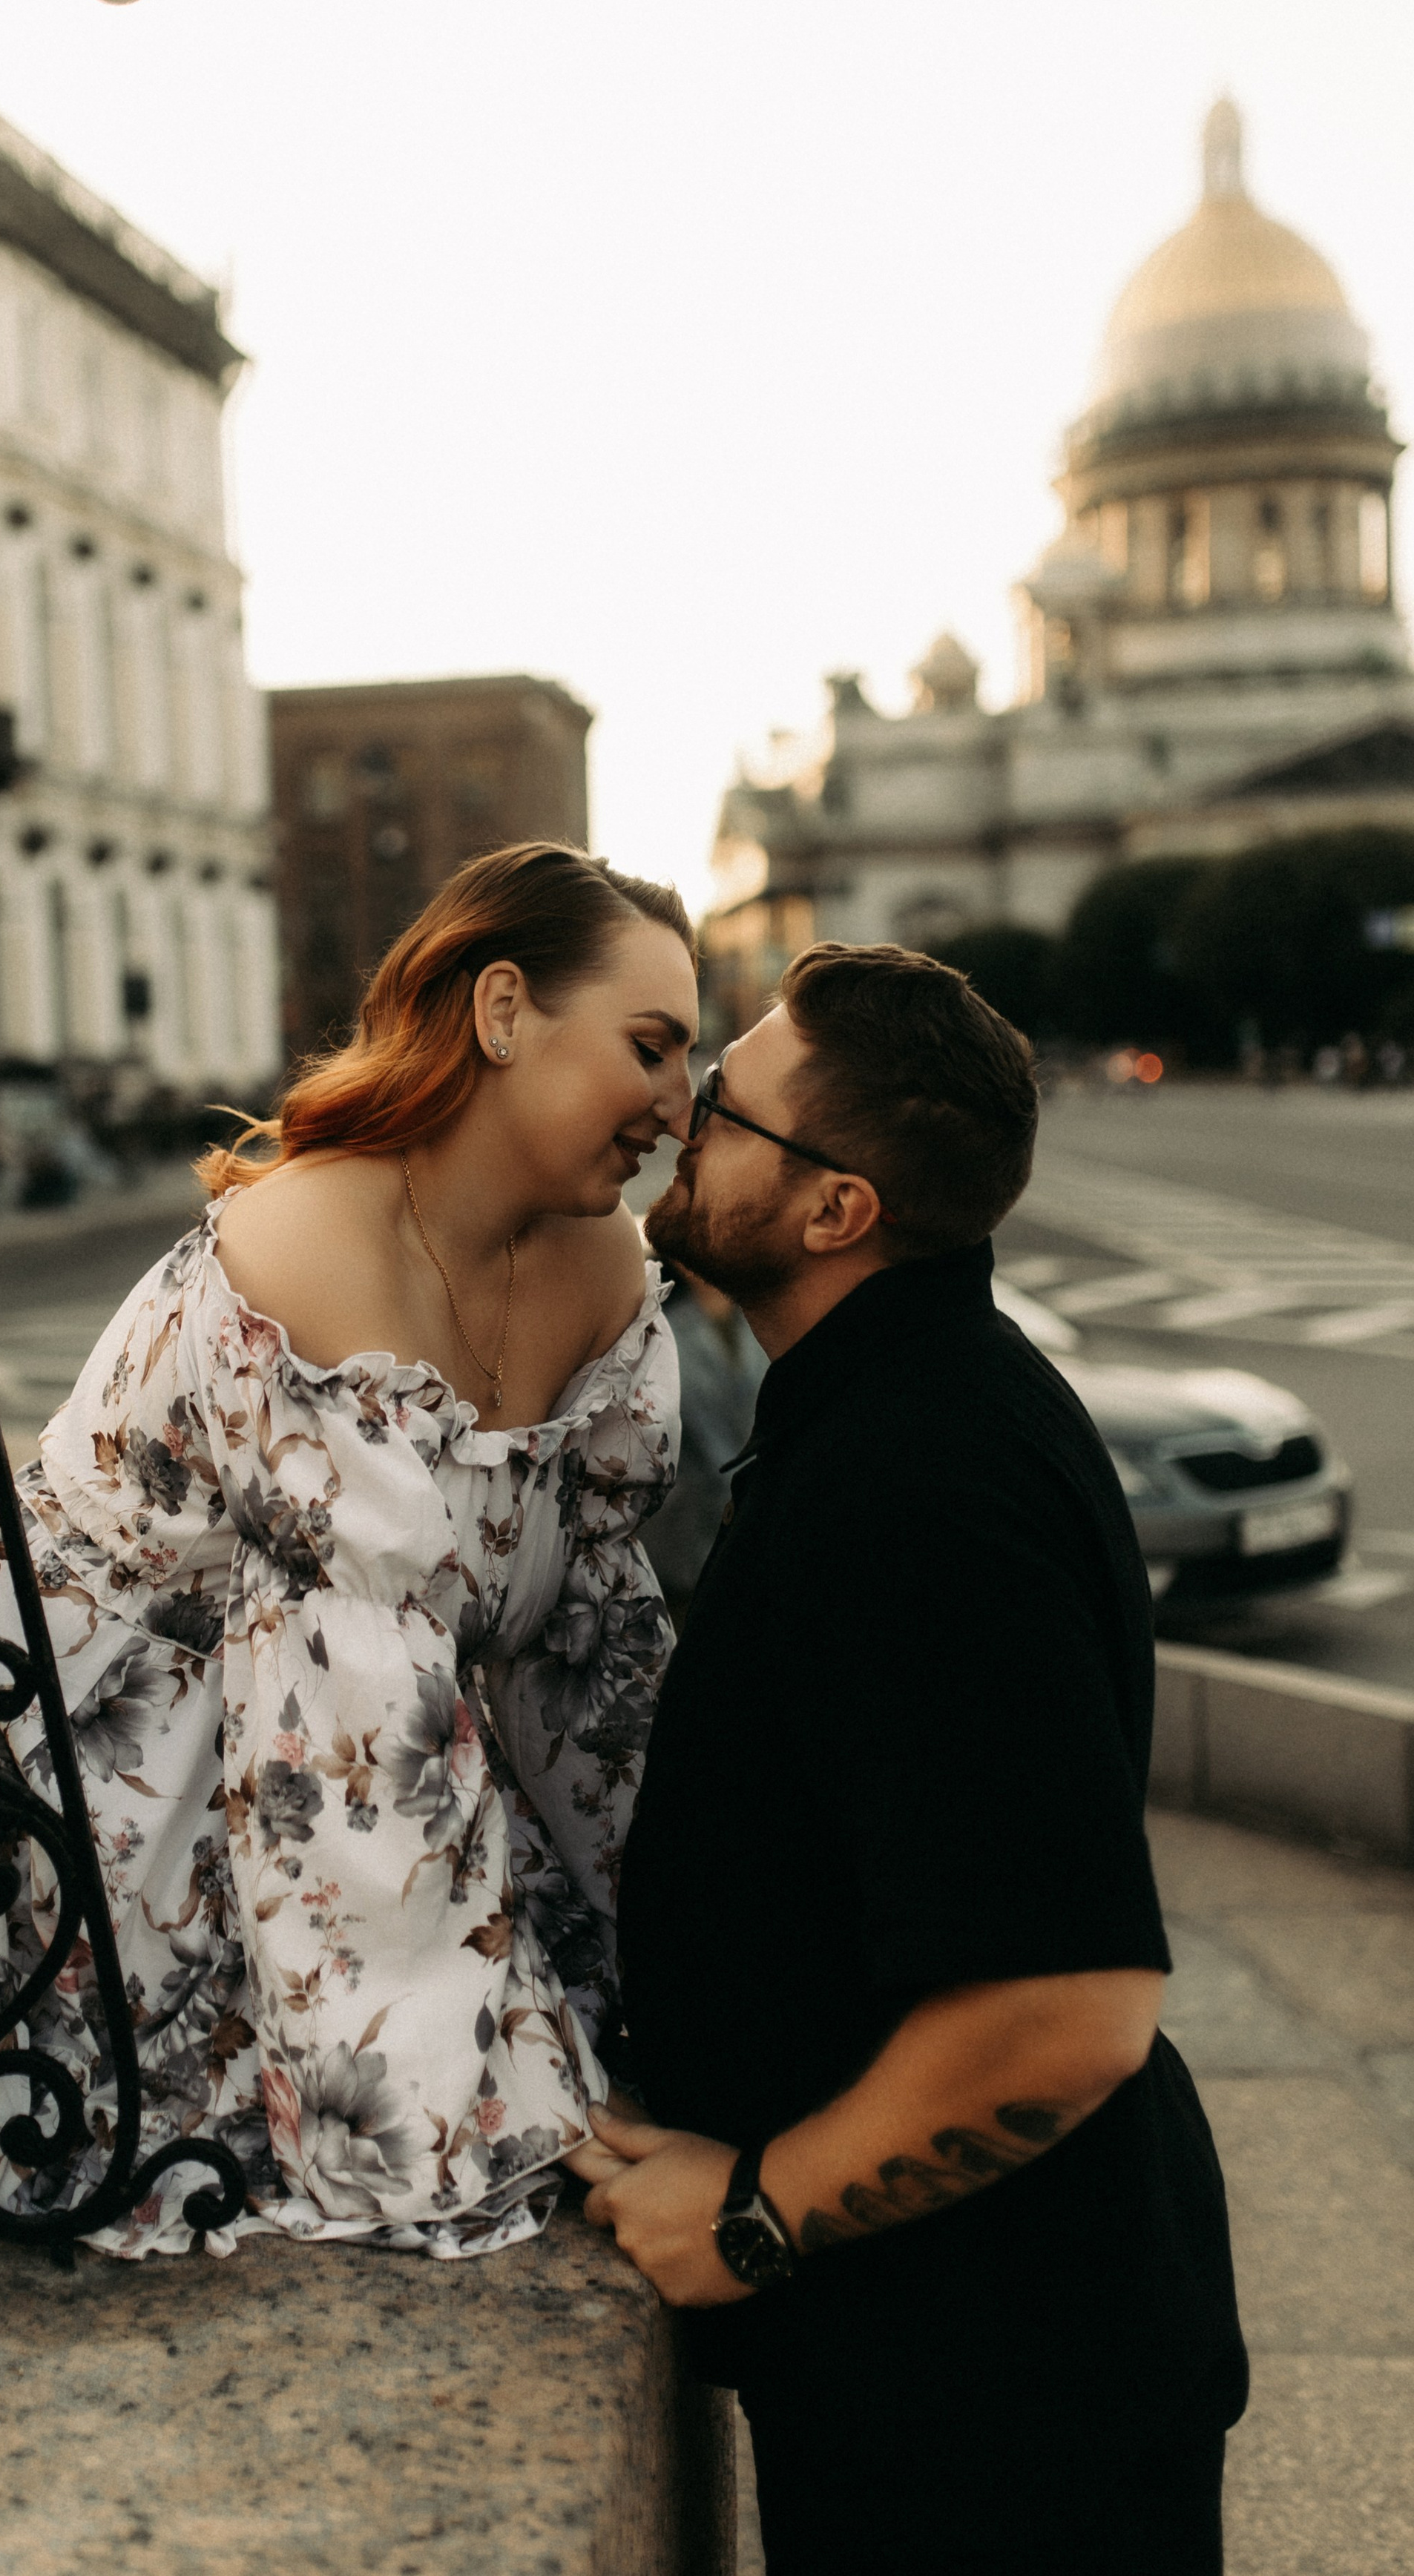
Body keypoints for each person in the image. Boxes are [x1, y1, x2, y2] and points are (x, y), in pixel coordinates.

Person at [0, 843, 700, 2259]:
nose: (678, 1105)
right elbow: (349, 1721)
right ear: (504, 1010)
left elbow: (592, 1659)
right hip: (97, 1767)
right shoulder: (313, 1239)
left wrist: (675, 1977)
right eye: (653, 1048)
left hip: (350, 1760)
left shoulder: (606, 1268)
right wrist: (424, 2138)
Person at [576, 941, 1246, 2575]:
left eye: (723, 1105)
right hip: (969, 2364)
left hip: (1001, 2414)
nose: (679, 1118)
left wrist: (753, 2209)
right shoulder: (896, 1406)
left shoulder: (917, 1488)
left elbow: (1066, 2005)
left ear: (834, 1211)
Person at [637, 1260, 760, 1628]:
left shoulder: (759, 1322)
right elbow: (705, 1442)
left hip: (752, 1522)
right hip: (688, 1533)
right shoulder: (666, 1333)